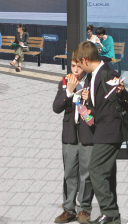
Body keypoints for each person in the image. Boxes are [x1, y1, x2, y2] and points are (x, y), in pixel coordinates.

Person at [74, 40, 128, 224]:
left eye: (79, 64)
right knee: (107, 173)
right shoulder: (94, 76)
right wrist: (89, 106)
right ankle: (114, 219)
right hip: (102, 130)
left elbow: (120, 101)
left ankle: (110, 212)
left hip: (110, 132)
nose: (79, 69)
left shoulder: (108, 73)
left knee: (95, 169)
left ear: (85, 60)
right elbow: (103, 104)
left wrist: (121, 92)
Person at [52, 58, 94, 224]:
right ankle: (68, 209)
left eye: (79, 66)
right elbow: (56, 107)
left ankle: (84, 209)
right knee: (69, 172)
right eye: (73, 66)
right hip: (70, 133)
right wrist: (68, 91)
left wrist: (89, 98)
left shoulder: (92, 81)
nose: (75, 70)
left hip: (87, 132)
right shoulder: (65, 81)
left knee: (86, 172)